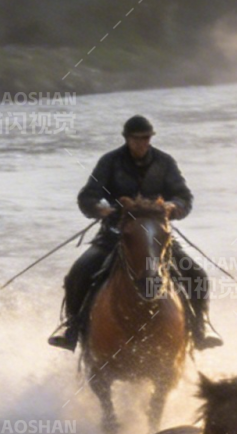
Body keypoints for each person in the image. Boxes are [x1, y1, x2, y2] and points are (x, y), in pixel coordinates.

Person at [49, 115, 222, 352]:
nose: (142, 144)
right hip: (115, 235)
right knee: (77, 274)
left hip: (155, 237)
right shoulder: (109, 162)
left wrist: (173, 207)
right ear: (127, 139)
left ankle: (199, 329)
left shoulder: (165, 162)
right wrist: (102, 210)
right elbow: (87, 196)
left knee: (197, 275)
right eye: (137, 139)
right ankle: (72, 330)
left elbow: (184, 197)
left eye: (146, 139)